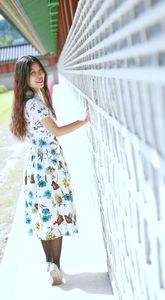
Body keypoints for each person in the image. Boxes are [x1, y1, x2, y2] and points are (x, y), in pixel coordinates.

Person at [10, 55, 90, 285]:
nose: (39, 75)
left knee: (46, 211)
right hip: (48, 163)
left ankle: (51, 264)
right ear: (24, 78)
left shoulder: (28, 102)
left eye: (40, 70)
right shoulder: (34, 104)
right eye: (33, 73)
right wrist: (84, 121)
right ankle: (55, 265)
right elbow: (57, 131)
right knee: (54, 209)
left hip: (38, 161)